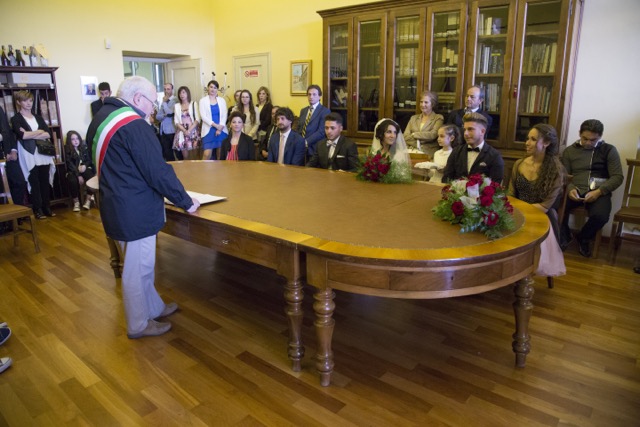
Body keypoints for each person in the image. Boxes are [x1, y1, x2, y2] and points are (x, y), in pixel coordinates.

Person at [88, 76, 200, 339]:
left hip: (117, 203)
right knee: (137, 270)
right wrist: (185, 201)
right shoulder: (134, 125)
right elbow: (157, 170)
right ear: (138, 98)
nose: (154, 108)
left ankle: (154, 307)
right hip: (135, 209)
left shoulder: (101, 117)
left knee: (142, 266)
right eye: (153, 102)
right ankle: (138, 324)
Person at [508, 124, 566, 276]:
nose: (527, 143)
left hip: (541, 217)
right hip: (517, 213)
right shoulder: (519, 164)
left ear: (546, 143)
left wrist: (520, 211)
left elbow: (545, 206)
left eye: (533, 139)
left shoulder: (556, 170)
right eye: (527, 138)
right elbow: (511, 195)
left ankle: (524, 273)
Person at [560, 119, 623, 257]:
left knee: (601, 216)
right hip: (574, 189)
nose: (588, 143)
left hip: (599, 191)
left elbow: (618, 176)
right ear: (579, 133)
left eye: (593, 140)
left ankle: (583, 237)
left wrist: (599, 191)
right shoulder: (569, 151)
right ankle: (564, 234)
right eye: (585, 139)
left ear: (600, 136)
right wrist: (570, 188)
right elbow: (564, 175)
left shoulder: (609, 150)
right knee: (556, 206)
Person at [10, 90, 56, 219]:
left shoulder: (38, 117)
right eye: (25, 101)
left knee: (44, 180)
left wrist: (31, 134)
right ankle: (37, 209)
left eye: (30, 100)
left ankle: (47, 207)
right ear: (19, 102)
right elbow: (22, 136)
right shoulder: (16, 118)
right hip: (28, 152)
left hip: (43, 152)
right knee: (33, 180)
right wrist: (38, 132)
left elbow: (47, 134)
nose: (28, 103)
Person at [441, 112, 504, 183]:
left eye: (470, 129)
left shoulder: (494, 156)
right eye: (464, 129)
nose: (465, 133)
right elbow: (446, 179)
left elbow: (496, 185)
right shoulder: (456, 152)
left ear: (482, 131)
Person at [403, 90, 444, 158]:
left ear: (432, 104)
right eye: (421, 102)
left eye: (426, 102)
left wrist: (414, 134)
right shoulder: (413, 118)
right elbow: (405, 136)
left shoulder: (438, 118)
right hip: (412, 152)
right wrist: (420, 141)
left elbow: (433, 135)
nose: (422, 105)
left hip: (428, 153)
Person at [296, 84, 331, 159]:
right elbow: (299, 128)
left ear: (319, 96)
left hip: (314, 149)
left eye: (314, 94)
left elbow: (321, 132)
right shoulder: (303, 110)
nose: (311, 97)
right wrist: (298, 141)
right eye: (309, 94)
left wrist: (306, 142)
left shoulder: (325, 111)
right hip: (300, 149)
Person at [64, 130, 95, 212]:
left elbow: (89, 160)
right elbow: (70, 165)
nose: (76, 141)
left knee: (91, 177)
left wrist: (85, 165)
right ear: (69, 141)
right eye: (73, 139)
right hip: (73, 171)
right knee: (72, 181)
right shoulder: (67, 150)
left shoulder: (83, 148)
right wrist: (78, 175)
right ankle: (76, 202)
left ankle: (88, 200)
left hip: (83, 169)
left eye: (77, 138)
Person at [1, 106, 25, 206]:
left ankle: (17, 211)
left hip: (9, 153)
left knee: (19, 182)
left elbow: (8, 130)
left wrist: (14, 150)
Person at [199, 80, 227, 160]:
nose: (213, 89)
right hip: (209, 130)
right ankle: (203, 169)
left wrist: (220, 128)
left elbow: (224, 114)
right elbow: (203, 116)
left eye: (215, 88)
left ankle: (219, 169)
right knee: (207, 154)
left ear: (217, 89)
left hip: (221, 130)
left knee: (220, 154)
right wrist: (215, 126)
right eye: (211, 87)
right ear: (208, 88)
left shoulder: (222, 100)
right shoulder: (202, 100)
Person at [173, 86, 200, 160]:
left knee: (195, 155)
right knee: (185, 156)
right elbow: (176, 121)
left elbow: (197, 119)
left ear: (187, 93)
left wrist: (189, 130)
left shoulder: (193, 104)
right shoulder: (176, 106)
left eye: (183, 92)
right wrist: (185, 131)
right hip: (182, 132)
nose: (181, 95)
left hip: (193, 131)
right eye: (180, 93)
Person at [155, 83, 177, 161]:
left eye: (168, 89)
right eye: (165, 89)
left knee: (177, 153)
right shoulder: (164, 101)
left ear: (172, 90)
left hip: (172, 131)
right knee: (168, 154)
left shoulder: (175, 100)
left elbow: (170, 113)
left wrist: (164, 103)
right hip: (163, 131)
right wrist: (164, 115)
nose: (166, 91)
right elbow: (157, 116)